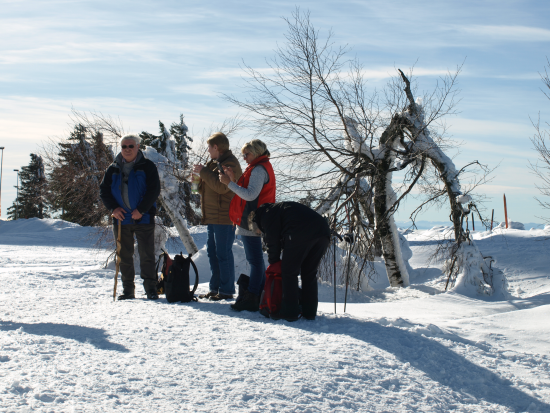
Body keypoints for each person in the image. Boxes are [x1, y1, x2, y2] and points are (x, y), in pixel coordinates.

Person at [99, 134, 161, 300]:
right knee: (124, 256)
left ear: (138, 147)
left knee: (147, 254)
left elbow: (154, 190)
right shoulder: (112, 168)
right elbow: (103, 191)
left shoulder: (148, 166)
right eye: (124, 147)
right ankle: (128, 291)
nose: (127, 149)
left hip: (144, 217)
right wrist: (113, 208)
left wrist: (141, 210)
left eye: (130, 146)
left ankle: (151, 289)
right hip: (121, 220)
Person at [218, 139, 275, 312]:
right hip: (253, 219)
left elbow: (250, 195)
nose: (244, 158)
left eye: (247, 154)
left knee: (255, 261)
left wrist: (229, 184)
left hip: (253, 220)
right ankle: (259, 295)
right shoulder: (258, 167)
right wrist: (233, 180)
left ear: (256, 153)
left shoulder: (258, 169)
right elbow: (248, 191)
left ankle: (252, 297)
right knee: (256, 260)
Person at [252, 202, 331, 321]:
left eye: (257, 231)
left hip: (301, 231)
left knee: (289, 272)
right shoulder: (278, 209)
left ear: (256, 221)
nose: (259, 232)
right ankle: (309, 311)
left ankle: (289, 312)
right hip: (324, 232)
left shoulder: (266, 215)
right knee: (309, 272)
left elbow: (272, 241)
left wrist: (274, 263)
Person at [193, 132, 242, 301]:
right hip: (213, 216)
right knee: (213, 253)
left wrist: (204, 172)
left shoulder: (230, 164)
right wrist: (197, 179)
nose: (207, 151)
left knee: (223, 253)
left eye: (209, 147)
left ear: (216, 147)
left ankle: (227, 290)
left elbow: (222, 188)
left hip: (224, 216)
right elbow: (205, 189)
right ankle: (215, 289)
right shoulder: (214, 164)